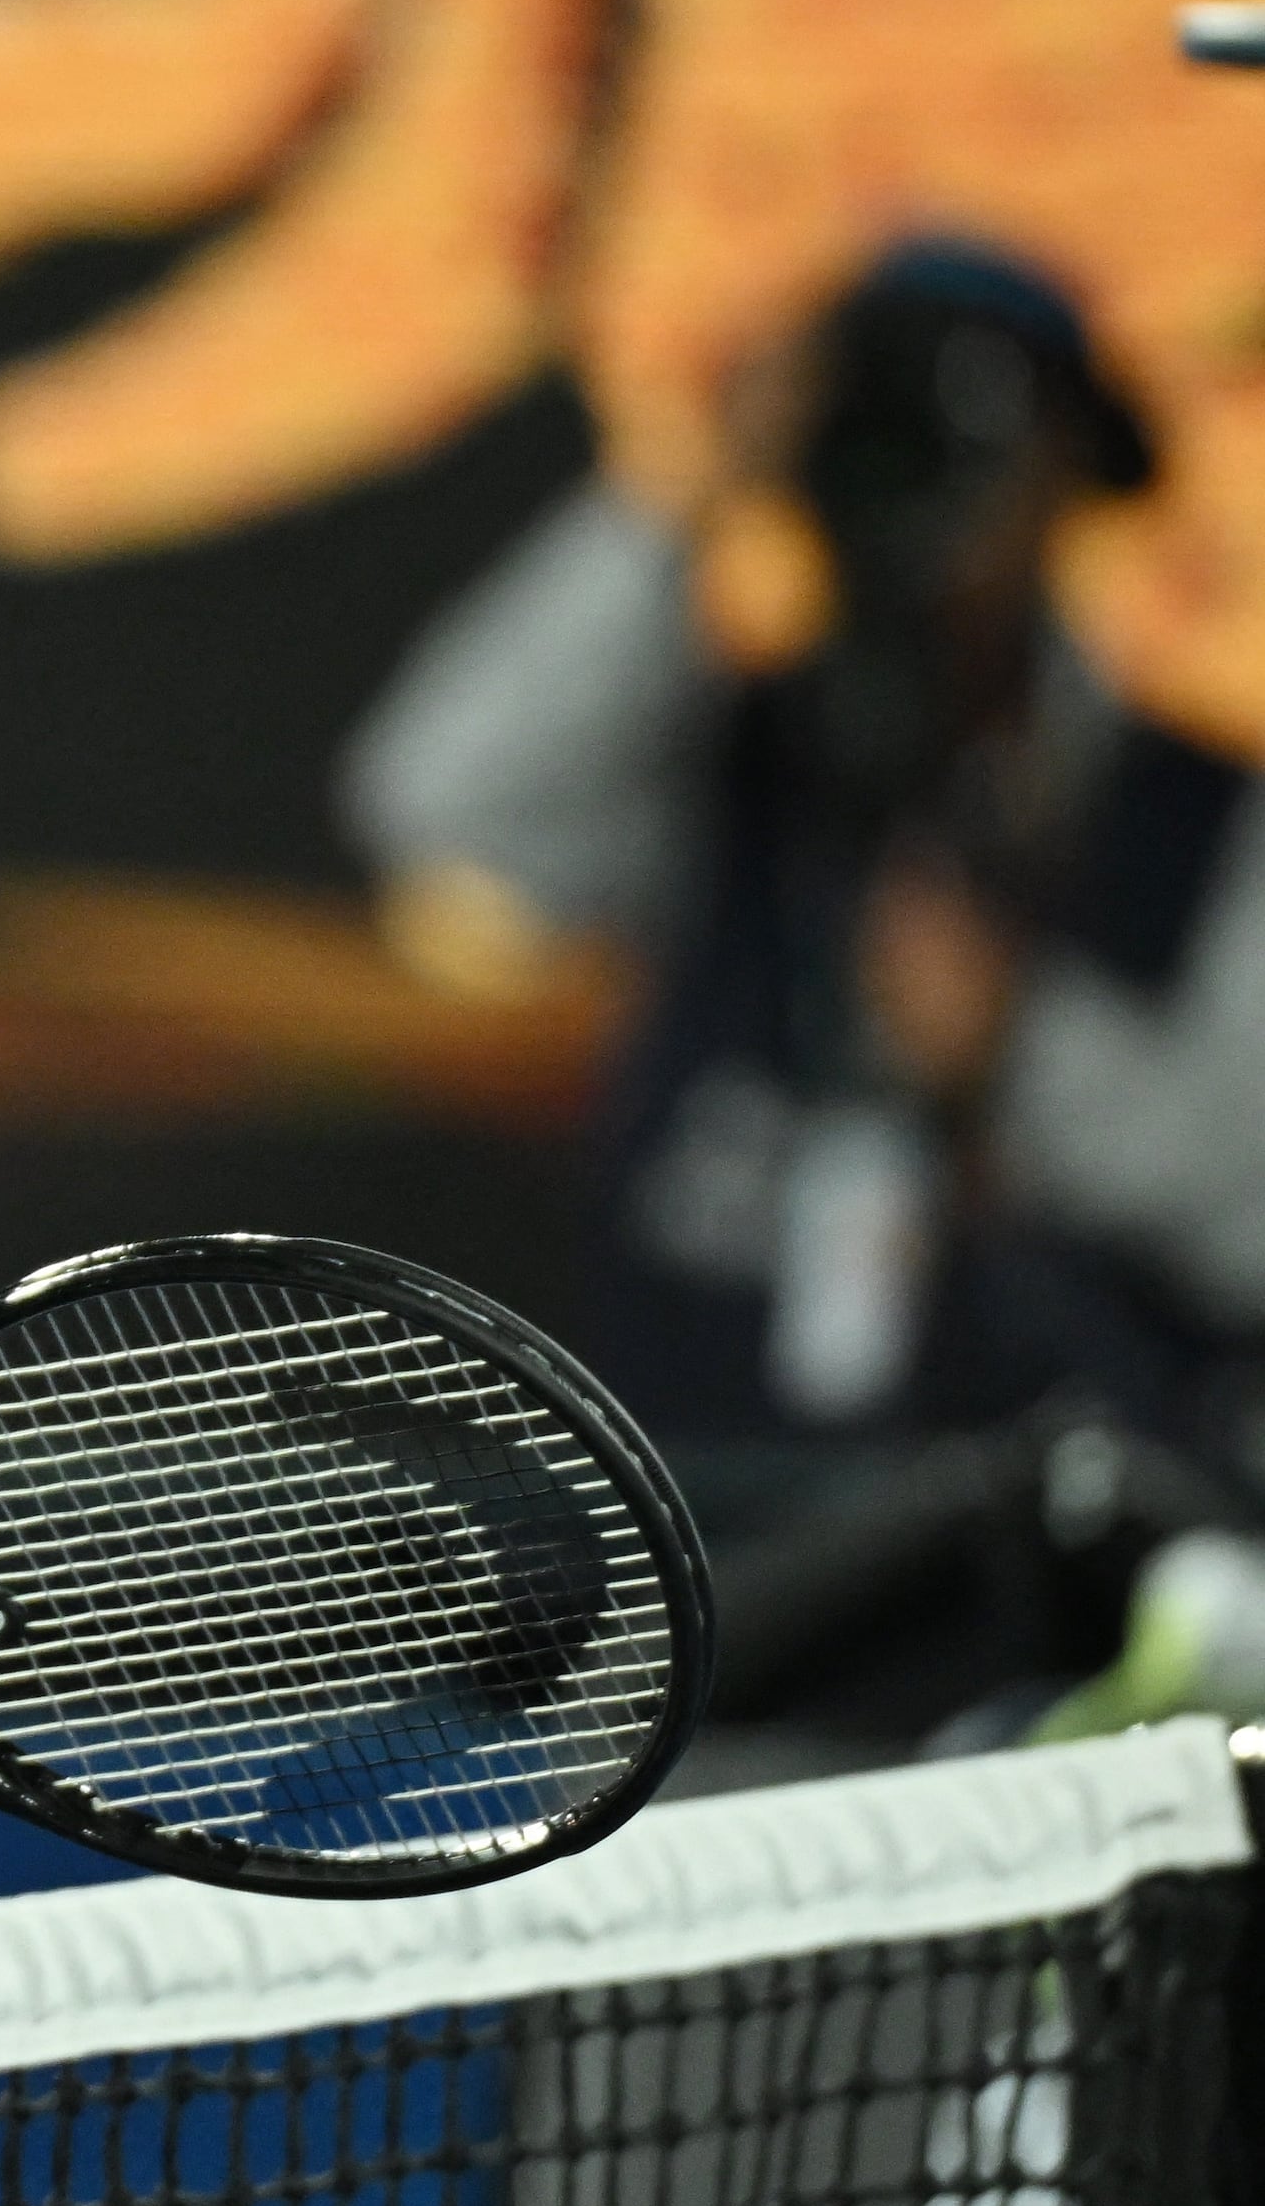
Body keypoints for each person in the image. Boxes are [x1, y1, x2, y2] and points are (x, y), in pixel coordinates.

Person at [346, 237, 1265, 1454]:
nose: (925, 486)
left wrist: (1021, 1053)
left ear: (1073, 466)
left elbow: (1245, 1214)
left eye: (980, 429)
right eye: (877, 425)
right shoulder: (714, 750)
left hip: (1053, 1534)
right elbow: (444, 800)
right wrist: (677, 497)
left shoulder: (1193, 810)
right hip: (709, 1516)